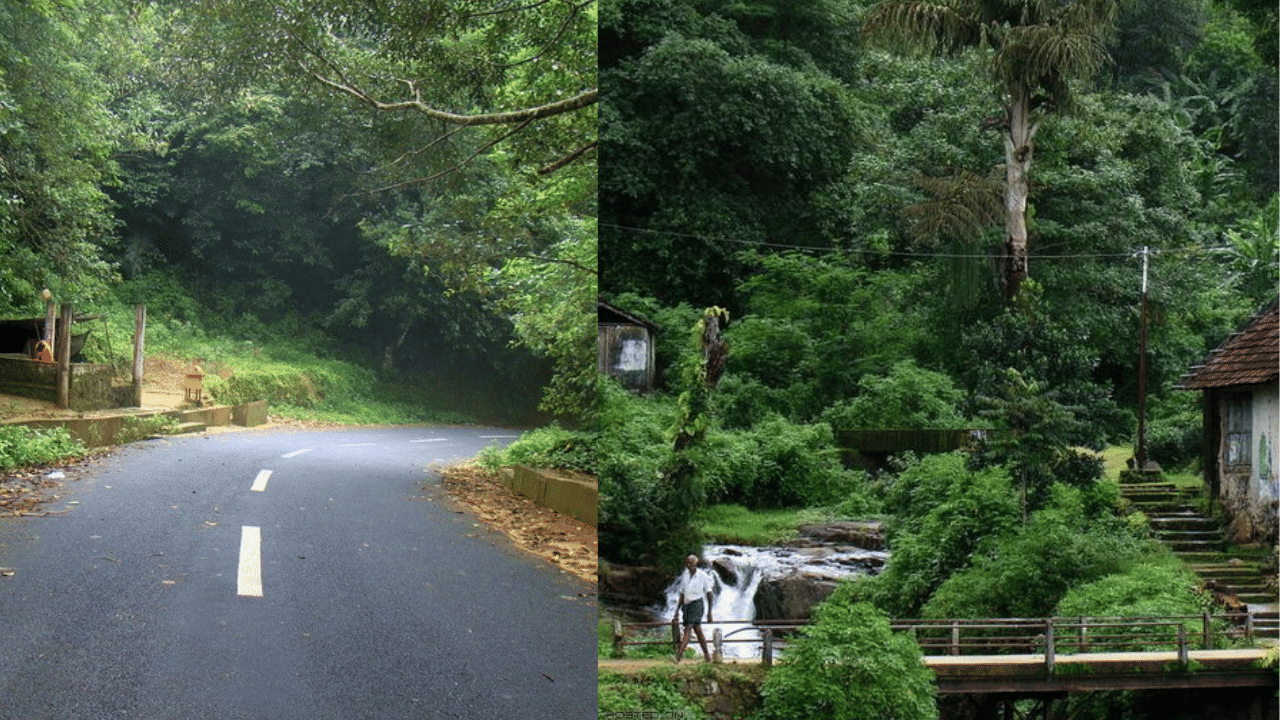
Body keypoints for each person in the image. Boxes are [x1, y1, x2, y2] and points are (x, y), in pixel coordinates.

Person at [671, 554, 714, 663]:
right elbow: (682, 594)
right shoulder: (685, 575)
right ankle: (707, 656)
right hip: (687, 606)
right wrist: (676, 611)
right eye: (688, 562)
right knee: (698, 631)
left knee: (688, 629)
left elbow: (709, 593)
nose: (690, 564)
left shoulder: (703, 575)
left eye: (692, 562)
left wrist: (709, 612)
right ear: (686, 563)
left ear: (696, 563)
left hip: (697, 604)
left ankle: (678, 656)